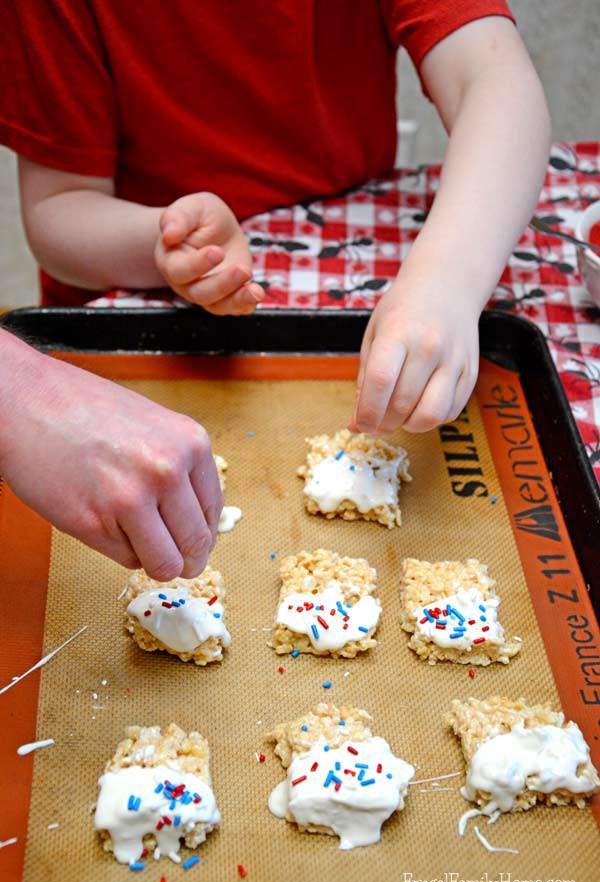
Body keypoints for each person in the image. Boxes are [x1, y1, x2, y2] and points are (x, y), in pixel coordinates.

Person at [0, 1, 550, 579]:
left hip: (364, 285)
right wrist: (158, 247)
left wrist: (448, 279)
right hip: (127, 333)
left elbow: (497, 85)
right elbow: (58, 213)